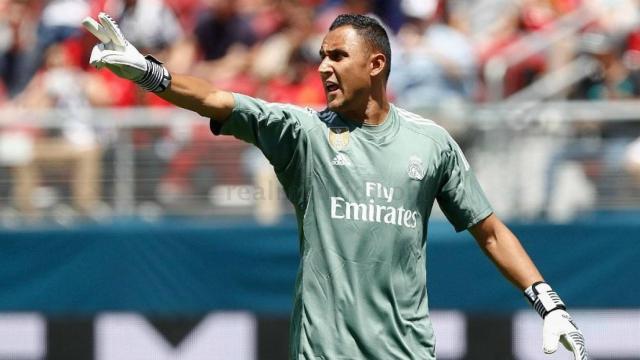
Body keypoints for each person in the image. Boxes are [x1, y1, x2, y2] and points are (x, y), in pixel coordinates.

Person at [82, 12, 588, 360]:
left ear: (376, 64)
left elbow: (491, 232)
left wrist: (550, 305)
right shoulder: (303, 132)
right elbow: (216, 99)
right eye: (321, 56)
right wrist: (147, 71)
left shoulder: (430, 143)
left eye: (338, 57)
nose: (323, 66)